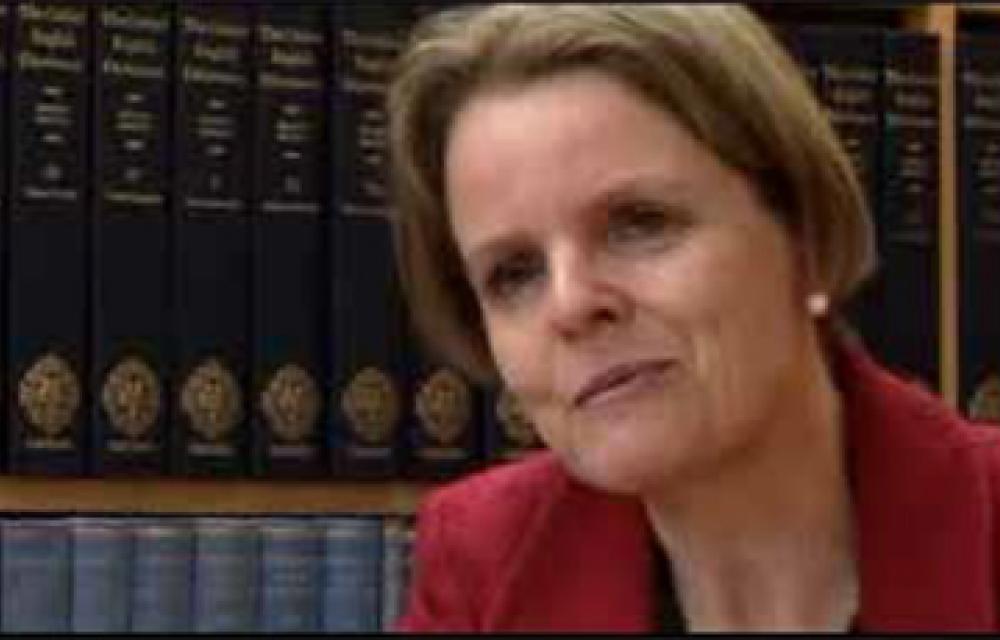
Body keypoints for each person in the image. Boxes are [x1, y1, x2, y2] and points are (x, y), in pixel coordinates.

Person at [385, 4, 1000, 632]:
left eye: (639, 223)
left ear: (806, 238)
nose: (570, 305)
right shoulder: (485, 566)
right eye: (514, 274)